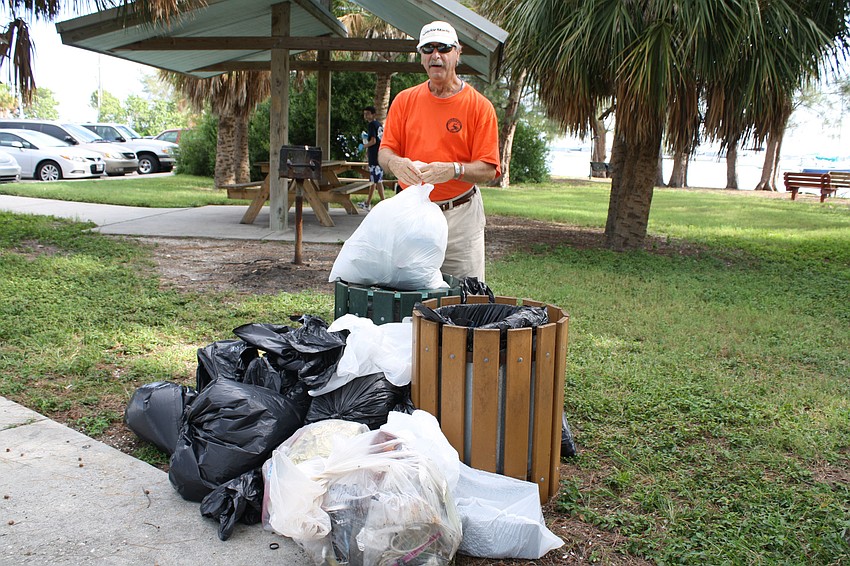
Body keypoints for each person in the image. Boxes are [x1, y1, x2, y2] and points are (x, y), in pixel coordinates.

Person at [379, 21, 500, 281]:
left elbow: (489, 168)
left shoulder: (480, 107)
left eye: (444, 48)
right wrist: (395, 163)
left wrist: (454, 170)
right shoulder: (404, 101)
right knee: (408, 293)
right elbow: (385, 151)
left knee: (466, 298)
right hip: (411, 213)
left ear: (458, 53)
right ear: (421, 56)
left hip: (460, 216)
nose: (436, 55)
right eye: (428, 49)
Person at [358, 106, 385, 211]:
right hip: (380, 154)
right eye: (365, 114)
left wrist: (364, 146)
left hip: (374, 156)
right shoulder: (379, 125)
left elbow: (373, 141)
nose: (366, 116)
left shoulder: (371, 125)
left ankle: (384, 202)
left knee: (377, 180)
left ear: (373, 114)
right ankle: (367, 203)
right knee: (374, 180)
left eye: (368, 114)